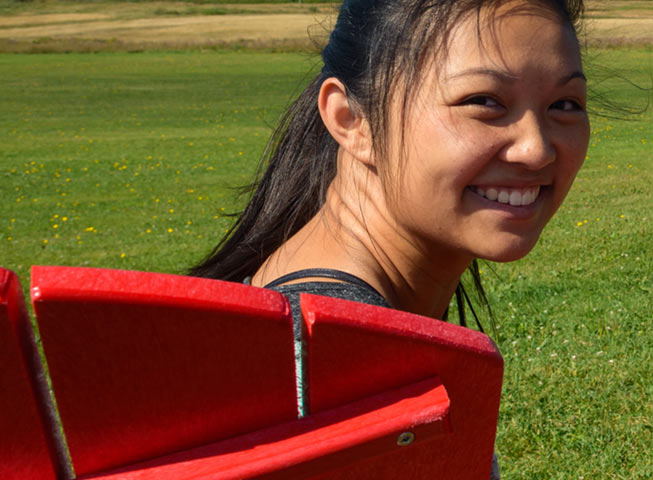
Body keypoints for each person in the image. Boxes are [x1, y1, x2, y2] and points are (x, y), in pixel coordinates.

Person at [189, 0, 589, 423]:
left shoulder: (311, 327)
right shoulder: (344, 362)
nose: (536, 149)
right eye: (484, 100)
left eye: (564, 105)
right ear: (350, 120)